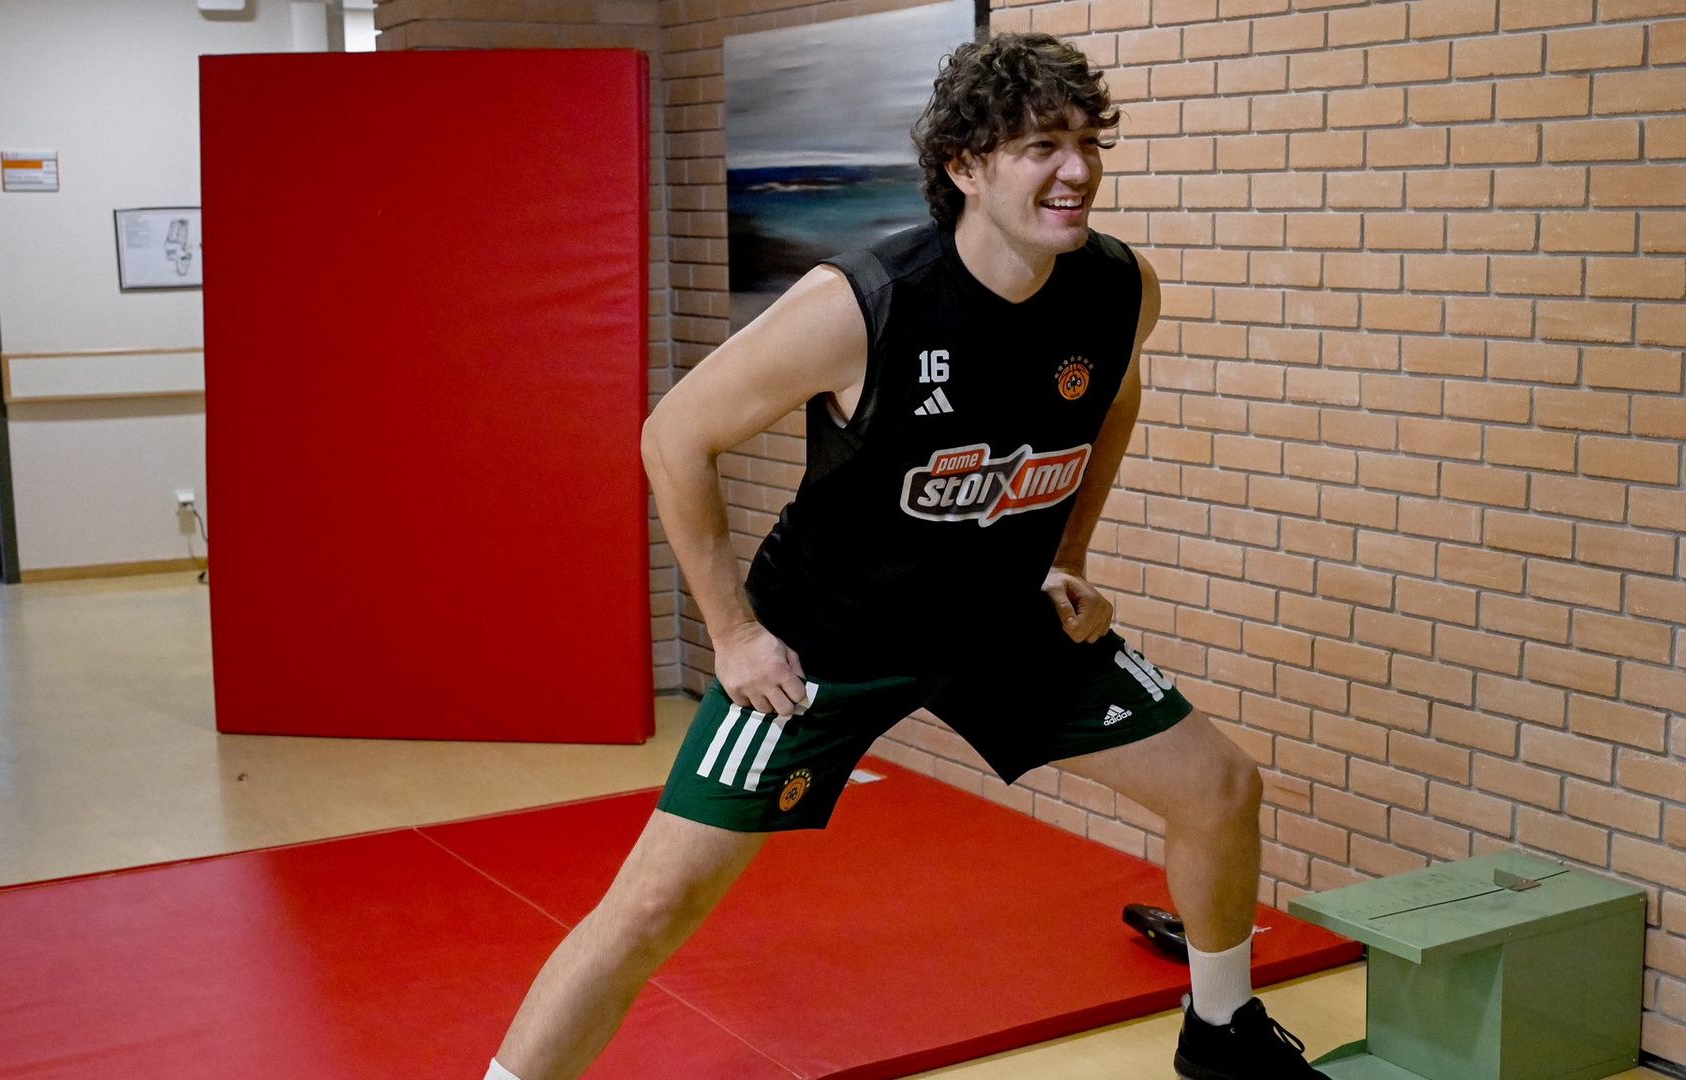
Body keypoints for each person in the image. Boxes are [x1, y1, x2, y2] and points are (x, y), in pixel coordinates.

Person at [487, 32, 1322, 1080]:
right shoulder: (864, 301)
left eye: (1087, 142)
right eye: (1041, 147)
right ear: (966, 167)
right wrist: (733, 633)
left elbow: (1114, 398)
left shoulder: (1117, 287)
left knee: (1220, 788)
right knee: (655, 904)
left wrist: (1068, 551)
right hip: (828, 642)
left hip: (1001, 621)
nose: (1076, 170)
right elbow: (673, 436)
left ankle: (1222, 1032)